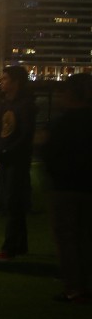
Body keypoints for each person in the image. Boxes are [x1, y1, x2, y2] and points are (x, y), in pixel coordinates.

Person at [40, 74, 92, 303]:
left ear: (70, 94)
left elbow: (49, 154)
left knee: (67, 238)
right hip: (88, 187)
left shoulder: (61, 123)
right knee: (85, 237)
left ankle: (74, 287)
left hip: (65, 188)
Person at [0, 65, 36, 262]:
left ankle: (9, 248)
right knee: (11, 202)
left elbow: (26, 134)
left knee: (12, 202)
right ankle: (20, 245)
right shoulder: (6, 103)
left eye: (5, 79)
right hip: (6, 158)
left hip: (16, 160)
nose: (1, 82)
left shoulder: (25, 105)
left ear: (16, 82)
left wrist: (7, 150)